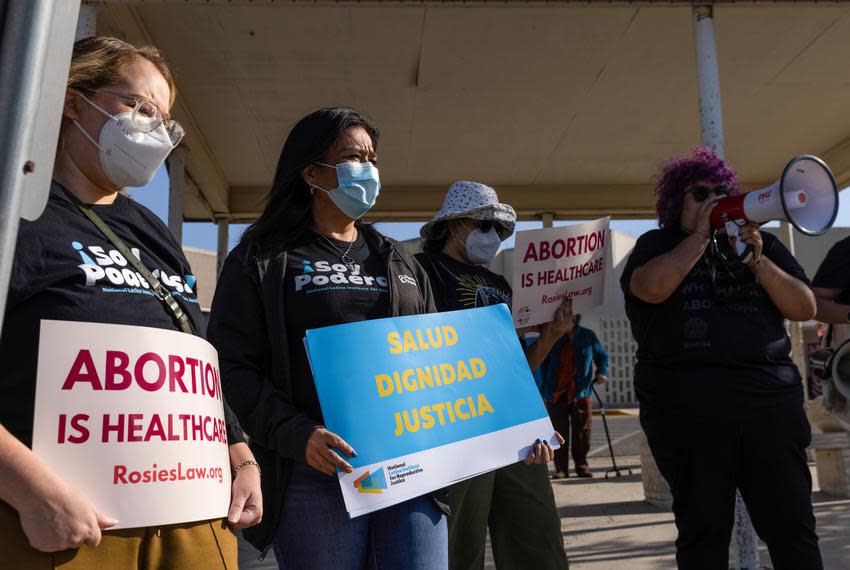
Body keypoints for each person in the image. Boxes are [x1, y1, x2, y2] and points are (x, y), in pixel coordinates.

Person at [0, 36, 262, 568]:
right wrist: (27, 488)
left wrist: (240, 451)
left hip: (193, 514)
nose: (155, 131)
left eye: (164, 119)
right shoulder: (16, 212)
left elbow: (192, 357)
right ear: (74, 100)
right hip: (68, 527)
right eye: (138, 107)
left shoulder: (154, 233)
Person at [206, 107, 448, 569]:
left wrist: (512, 429)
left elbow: (439, 358)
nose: (370, 170)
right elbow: (229, 365)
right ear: (312, 172)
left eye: (374, 159)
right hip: (314, 471)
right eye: (355, 157)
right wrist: (297, 434)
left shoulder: (400, 260)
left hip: (409, 471)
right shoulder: (262, 259)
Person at [621, 147, 822, 569]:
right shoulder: (655, 244)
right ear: (677, 202)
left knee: (792, 530)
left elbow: (804, 307)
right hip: (688, 414)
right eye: (700, 193)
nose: (714, 199)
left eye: (723, 190)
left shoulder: (759, 244)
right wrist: (699, 237)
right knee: (704, 533)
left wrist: (759, 262)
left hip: (768, 408)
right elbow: (650, 288)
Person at [415, 180, 571, 570]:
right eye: (483, 225)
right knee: (458, 544)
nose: (493, 236)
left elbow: (515, 367)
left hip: (512, 423)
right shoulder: (421, 271)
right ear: (452, 225)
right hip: (458, 427)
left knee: (537, 536)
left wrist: (550, 335)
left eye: (499, 229)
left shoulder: (501, 285)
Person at [536, 314, 609, 479]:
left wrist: (602, 373)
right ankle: (561, 469)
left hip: (581, 392)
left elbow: (602, 356)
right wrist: (543, 390)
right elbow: (541, 363)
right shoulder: (552, 336)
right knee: (558, 433)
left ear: (576, 318)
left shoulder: (587, 336)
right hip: (555, 393)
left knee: (583, 432)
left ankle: (582, 466)